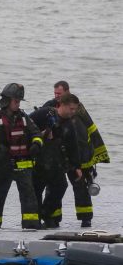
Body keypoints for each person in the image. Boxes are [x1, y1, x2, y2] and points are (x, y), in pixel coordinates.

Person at [43, 80, 109, 227]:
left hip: (78, 154)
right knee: (53, 186)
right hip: (58, 155)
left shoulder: (78, 109)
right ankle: (53, 218)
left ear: (67, 92)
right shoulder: (49, 106)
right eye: (55, 93)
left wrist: (96, 154)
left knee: (80, 186)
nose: (57, 96)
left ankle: (86, 218)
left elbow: (91, 129)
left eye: (59, 93)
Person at [0, 83, 43, 231]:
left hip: (23, 164)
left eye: (19, 101)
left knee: (29, 196)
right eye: (16, 101)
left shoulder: (24, 118)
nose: (18, 104)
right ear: (6, 101)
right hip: (3, 165)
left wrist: (36, 144)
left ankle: (30, 225)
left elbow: (36, 133)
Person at [30, 93, 83, 228]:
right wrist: (41, 134)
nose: (73, 112)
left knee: (61, 186)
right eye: (71, 108)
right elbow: (25, 125)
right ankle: (35, 220)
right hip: (38, 161)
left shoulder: (69, 124)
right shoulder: (44, 113)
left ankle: (46, 213)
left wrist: (77, 166)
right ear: (62, 105)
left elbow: (73, 146)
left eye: (75, 109)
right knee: (36, 190)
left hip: (56, 163)